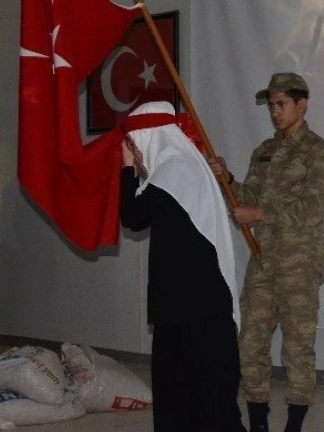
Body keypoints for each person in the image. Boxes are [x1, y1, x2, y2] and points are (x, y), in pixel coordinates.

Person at [209, 73, 324, 432]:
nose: (275, 112)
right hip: (264, 261)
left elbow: (312, 208)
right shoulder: (263, 153)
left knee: (297, 349)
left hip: (299, 264)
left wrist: (259, 215)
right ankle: (259, 423)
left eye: (281, 104)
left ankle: (294, 426)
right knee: (250, 343)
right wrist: (227, 180)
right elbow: (248, 199)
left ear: (302, 104)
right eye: (271, 105)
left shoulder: (320, 153)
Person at [119, 101, 245, 432]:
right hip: (191, 307)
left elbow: (132, 217)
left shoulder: (174, 170)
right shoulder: (185, 166)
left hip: (189, 309)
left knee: (193, 398)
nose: (135, 150)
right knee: (198, 397)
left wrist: (126, 168)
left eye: (135, 142)